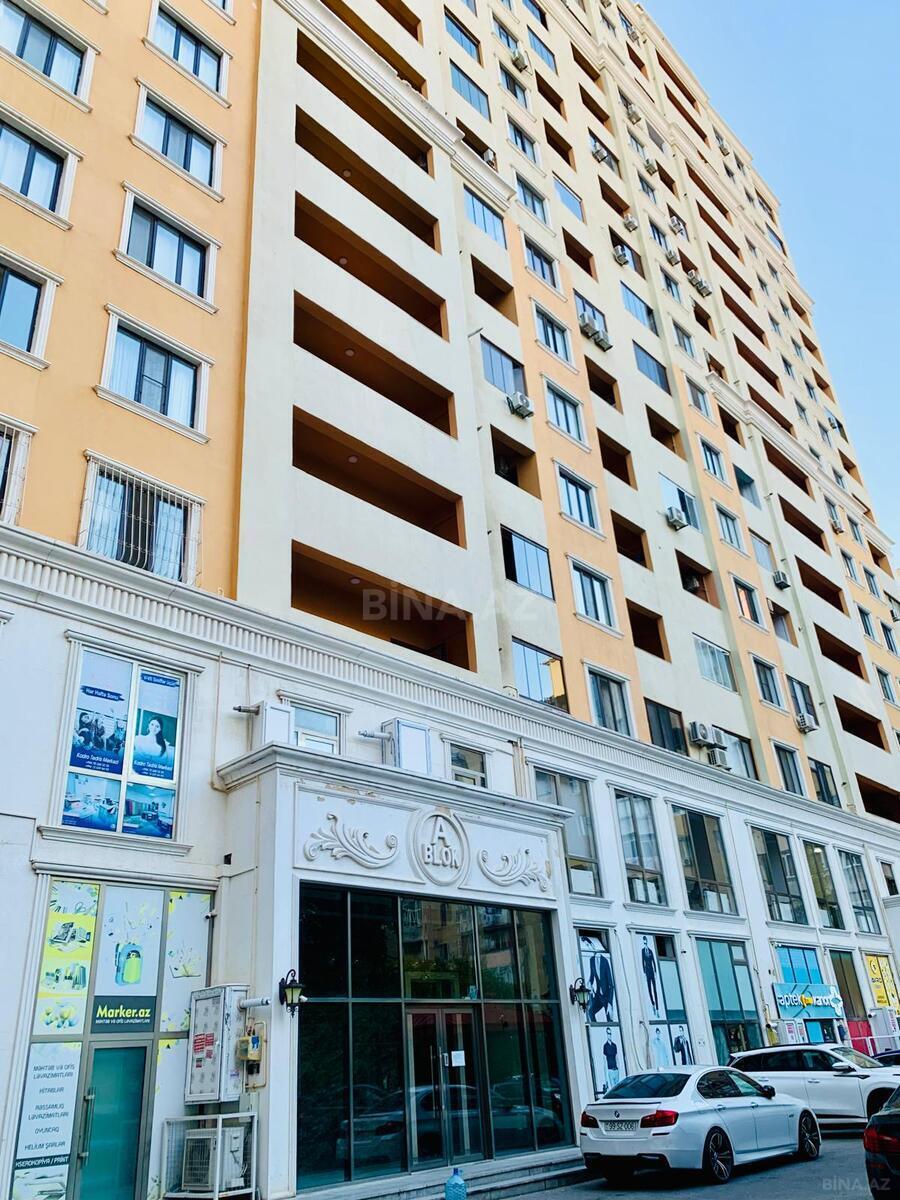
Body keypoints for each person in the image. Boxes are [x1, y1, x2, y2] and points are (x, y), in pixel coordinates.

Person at [587, 951, 615, 1022]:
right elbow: (592, 976)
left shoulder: (605, 961)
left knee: (609, 1016)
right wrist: (589, 982)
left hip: (606, 995)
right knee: (591, 1012)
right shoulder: (592, 960)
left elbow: (611, 984)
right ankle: (595, 1027)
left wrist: (610, 1003)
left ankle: (610, 1028)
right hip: (598, 994)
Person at [641, 936, 659, 1015]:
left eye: (645, 941)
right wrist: (644, 973)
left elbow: (654, 961)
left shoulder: (651, 951)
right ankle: (653, 1004)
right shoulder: (642, 951)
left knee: (655, 990)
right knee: (649, 990)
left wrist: (655, 972)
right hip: (647, 972)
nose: (645, 943)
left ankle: (657, 1008)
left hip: (651, 971)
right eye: (644, 942)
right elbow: (642, 961)